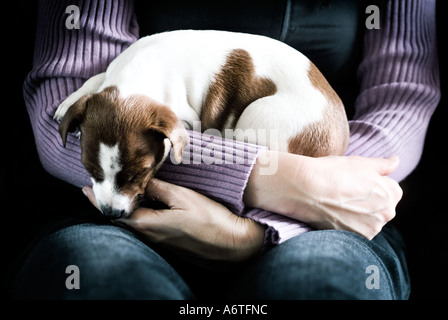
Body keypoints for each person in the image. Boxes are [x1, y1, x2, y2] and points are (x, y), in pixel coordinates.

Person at [9, 0, 439, 300]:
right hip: (287, 193)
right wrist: (275, 180)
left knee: (317, 283)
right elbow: (58, 115)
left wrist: (262, 230)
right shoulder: (129, 85)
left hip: (329, 212)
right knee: (98, 273)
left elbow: (401, 101)